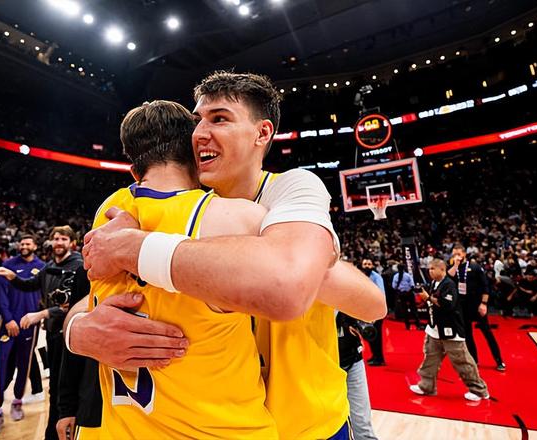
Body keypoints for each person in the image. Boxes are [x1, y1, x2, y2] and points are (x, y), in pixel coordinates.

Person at [72, 72, 386, 439]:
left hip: (308, 426)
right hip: (223, 425)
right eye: (197, 120)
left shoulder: (291, 187)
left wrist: (134, 248)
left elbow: (350, 299)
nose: (199, 132)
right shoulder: (168, 208)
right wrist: (77, 332)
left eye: (219, 118)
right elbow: (95, 299)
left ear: (262, 133)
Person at [71, 100, 278, 438]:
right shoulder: (235, 217)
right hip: (219, 430)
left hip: (125, 429)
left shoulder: (107, 212)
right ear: (197, 155)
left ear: (134, 171)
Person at [0, 226, 84, 440]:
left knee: (66, 388)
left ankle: (69, 431)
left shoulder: (78, 265)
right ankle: (53, 432)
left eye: (63, 239)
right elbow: (30, 285)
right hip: (53, 333)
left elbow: (74, 304)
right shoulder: (49, 266)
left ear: (72, 243)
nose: (58, 242)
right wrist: (12, 276)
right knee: (55, 388)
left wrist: (41, 314)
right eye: (56, 239)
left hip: (70, 334)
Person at [0, 234, 45, 434]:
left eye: (28, 243)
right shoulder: (8, 265)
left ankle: (18, 401)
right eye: (22, 243)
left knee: (24, 365)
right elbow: (1, 295)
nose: (24, 245)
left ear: (35, 246)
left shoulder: (42, 267)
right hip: (6, 324)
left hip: (29, 324)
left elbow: (44, 295)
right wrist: (8, 319)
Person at [410, 259, 490, 401]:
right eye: (429, 269)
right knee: (430, 358)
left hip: (450, 330)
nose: (430, 271)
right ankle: (426, 386)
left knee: (462, 361)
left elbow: (447, 305)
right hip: (434, 328)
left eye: (433, 268)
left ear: (442, 270)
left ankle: (479, 390)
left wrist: (428, 298)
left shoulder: (449, 285)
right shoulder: (434, 284)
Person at [56, 266, 100, 440]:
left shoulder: (168, 271)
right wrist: (67, 408)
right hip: (94, 405)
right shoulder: (88, 270)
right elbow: (73, 347)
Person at [448, 244, 506, 371]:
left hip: (476, 303)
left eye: (458, 254)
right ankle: (474, 360)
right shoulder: (453, 268)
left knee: (487, 332)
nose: (456, 256)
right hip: (462, 305)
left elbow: (485, 286)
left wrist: (484, 303)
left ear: (464, 254)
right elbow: (448, 276)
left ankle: (499, 360)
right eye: (454, 254)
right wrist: (455, 265)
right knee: (467, 334)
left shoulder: (475, 267)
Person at [336, 312, 378, 440]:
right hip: (322, 363)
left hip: (352, 357)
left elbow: (375, 312)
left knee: (363, 426)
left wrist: (363, 317)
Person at [362, 258, 386, 366]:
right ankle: (374, 355)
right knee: (370, 333)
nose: (367, 266)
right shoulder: (362, 276)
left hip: (377, 310)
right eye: (365, 264)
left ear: (372, 265)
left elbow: (381, 294)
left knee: (377, 335)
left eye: (369, 264)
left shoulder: (376, 277)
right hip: (367, 310)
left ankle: (379, 358)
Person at [392, 263, 421, 330]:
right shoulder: (408, 275)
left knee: (404, 310)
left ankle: (407, 326)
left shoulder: (395, 276)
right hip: (409, 293)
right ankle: (418, 325)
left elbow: (394, 286)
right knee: (413, 309)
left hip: (401, 294)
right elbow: (412, 285)